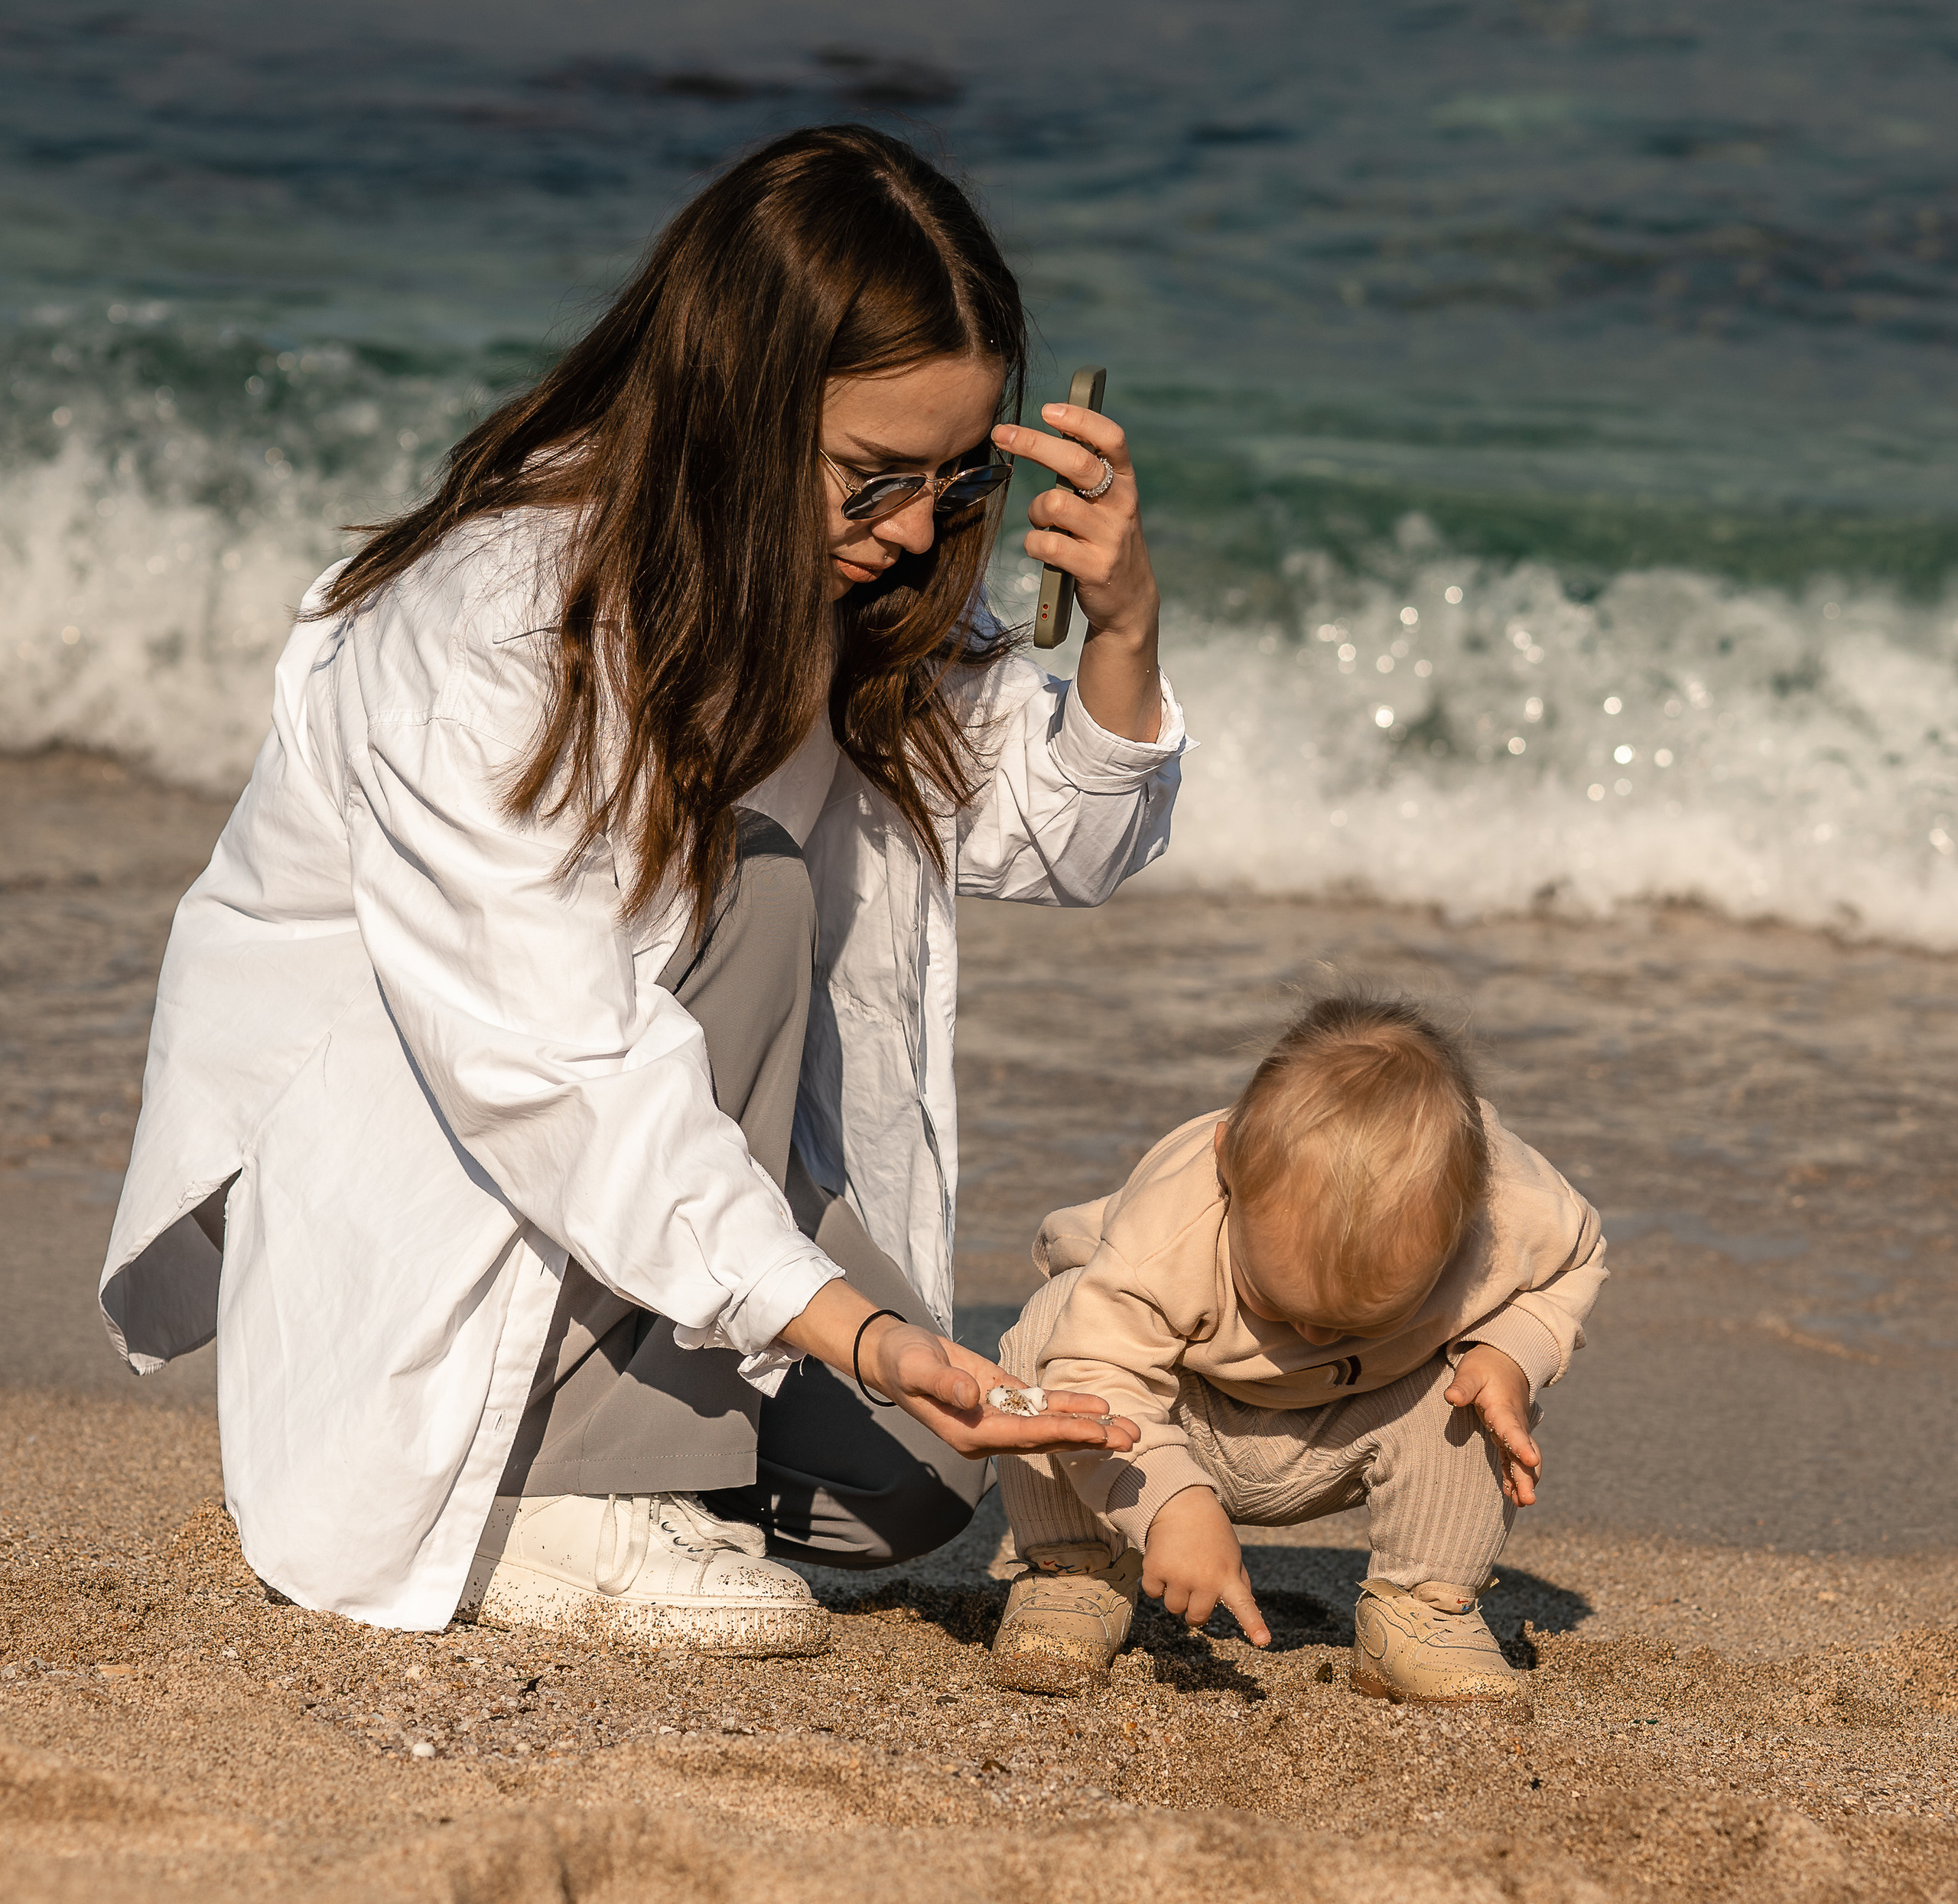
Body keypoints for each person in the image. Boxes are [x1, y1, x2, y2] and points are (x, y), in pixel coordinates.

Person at [97, 125, 1181, 1652]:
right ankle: (561, 1498)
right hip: (460, 1147)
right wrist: (845, 1323)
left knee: (922, 1480)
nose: (910, 533)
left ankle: (660, 1452)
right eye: (873, 479)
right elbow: (554, 1066)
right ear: (737, 405)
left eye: (952, 482)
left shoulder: (833, 580)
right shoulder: (491, 623)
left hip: (649, 1157)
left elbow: (1059, 840)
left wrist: (1118, 628)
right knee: (754, 892)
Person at [986, 991, 1608, 1701]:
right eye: (1278, 1303)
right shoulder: (1171, 1226)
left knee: (1479, 1382)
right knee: (1050, 1329)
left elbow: (1576, 1261)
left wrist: (1511, 1349)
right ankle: (1076, 1570)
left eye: (1359, 1318)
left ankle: (1422, 1606)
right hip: (1174, 1414)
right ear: (1230, 1169)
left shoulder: (1508, 1207)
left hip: (1363, 1420)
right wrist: (1170, 1498)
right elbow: (1099, 1374)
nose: (1312, 1337)